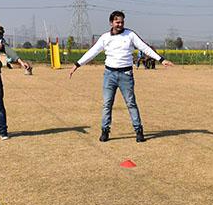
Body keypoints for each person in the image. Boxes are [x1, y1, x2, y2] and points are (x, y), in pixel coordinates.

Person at [70, 11, 173, 143]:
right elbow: (92, 52)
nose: (120, 24)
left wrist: (161, 59)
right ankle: (105, 131)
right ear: (111, 23)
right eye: (117, 22)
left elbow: (144, 47)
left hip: (126, 75)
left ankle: (139, 131)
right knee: (107, 104)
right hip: (109, 75)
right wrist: (77, 64)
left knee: (131, 103)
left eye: (122, 22)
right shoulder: (105, 38)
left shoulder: (130, 35)